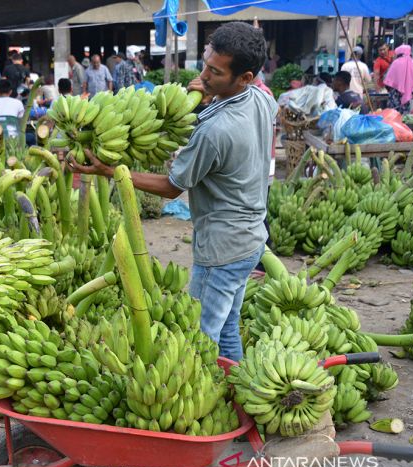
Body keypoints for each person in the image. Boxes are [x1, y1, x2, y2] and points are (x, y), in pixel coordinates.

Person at [69, 22, 276, 362]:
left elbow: (171, 187)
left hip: (222, 247)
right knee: (226, 328)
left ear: (245, 77)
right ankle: (235, 390)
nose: (204, 77)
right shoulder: (262, 100)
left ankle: (207, 400)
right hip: (252, 239)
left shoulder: (215, 131)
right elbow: (250, 93)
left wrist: (111, 171)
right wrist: (213, 93)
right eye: (205, 64)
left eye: (215, 72)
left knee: (200, 335)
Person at [383, 44, 413, 115]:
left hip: (395, 94)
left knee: (393, 116)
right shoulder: (412, 63)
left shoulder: (396, 63)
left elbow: (388, 80)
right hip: (407, 94)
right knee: (404, 117)